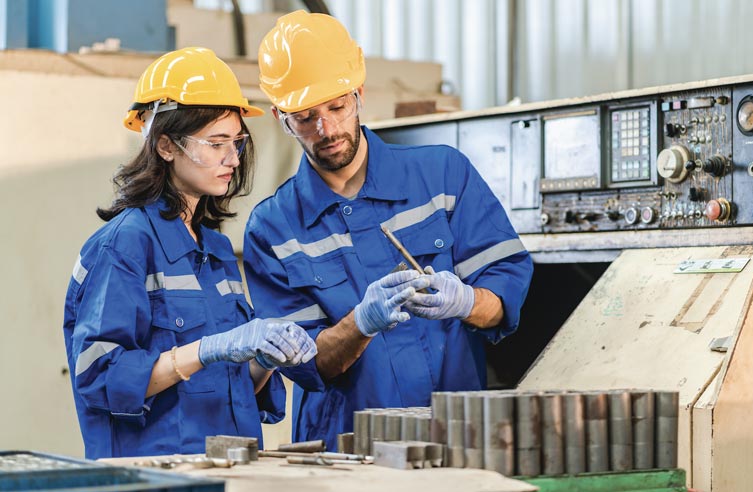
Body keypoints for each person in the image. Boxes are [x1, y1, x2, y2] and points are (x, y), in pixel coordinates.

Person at [244, 11, 533, 449]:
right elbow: (308, 365)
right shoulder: (274, 228)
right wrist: (362, 322)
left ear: (359, 92)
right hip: (343, 450)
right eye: (304, 117)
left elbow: (504, 301)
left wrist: (465, 300)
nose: (327, 129)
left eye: (337, 106)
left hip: (456, 435)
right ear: (280, 118)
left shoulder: (442, 176)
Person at [62, 47, 317, 459]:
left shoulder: (215, 250)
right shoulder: (125, 245)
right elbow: (99, 376)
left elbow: (236, 386)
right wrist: (204, 350)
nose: (232, 158)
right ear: (166, 146)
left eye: (236, 142)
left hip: (232, 470)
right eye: (216, 143)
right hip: (157, 476)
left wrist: (265, 359)